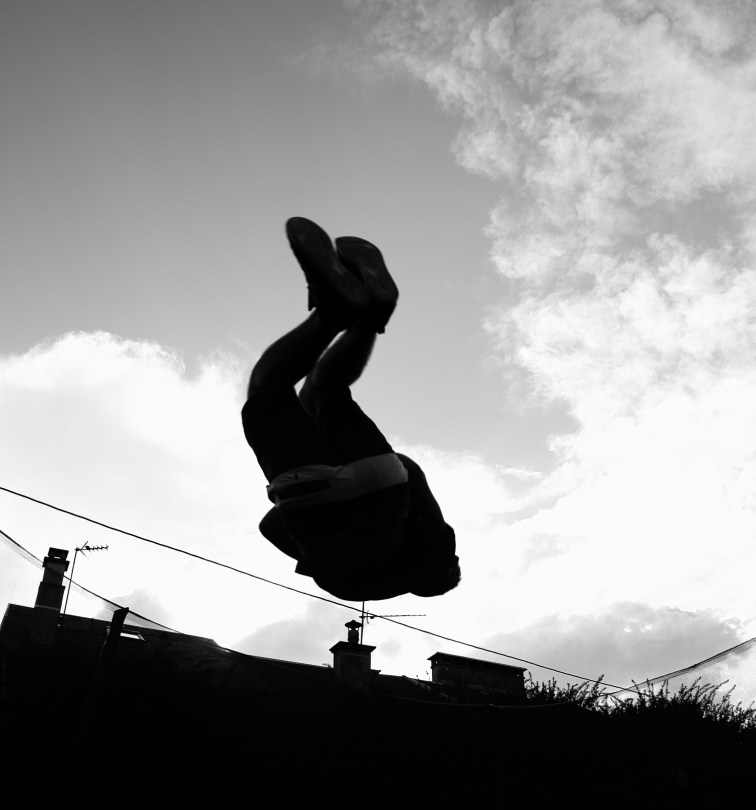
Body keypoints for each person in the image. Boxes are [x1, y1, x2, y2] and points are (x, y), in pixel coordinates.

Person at [241, 217, 460, 602]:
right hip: (312, 499)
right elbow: (269, 528)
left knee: (324, 390)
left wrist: (380, 470)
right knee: (267, 390)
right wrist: (304, 535)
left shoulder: (435, 539)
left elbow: (410, 469)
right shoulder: (347, 585)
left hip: (384, 480)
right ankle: (332, 312)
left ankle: (370, 317)